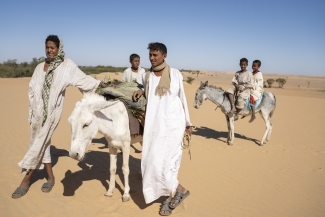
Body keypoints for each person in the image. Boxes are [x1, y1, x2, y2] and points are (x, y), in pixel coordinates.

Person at [11, 35, 109, 199]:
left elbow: (82, 79)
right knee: (43, 143)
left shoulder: (67, 66)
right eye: (47, 47)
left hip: (51, 114)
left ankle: (26, 179)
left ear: (59, 48)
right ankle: (50, 178)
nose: (49, 50)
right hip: (36, 114)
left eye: (52, 48)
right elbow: (32, 90)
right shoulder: (39, 67)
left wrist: (100, 85)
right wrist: (33, 110)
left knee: (38, 143)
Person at [133, 42, 192, 216]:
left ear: (164, 55)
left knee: (168, 164)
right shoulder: (147, 76)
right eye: (150, 55)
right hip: (154, 126)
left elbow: (182, 97)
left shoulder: (175, 74)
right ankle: (178, 190)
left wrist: (188, 123)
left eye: (155, 55)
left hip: (173, 125)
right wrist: (142, 92)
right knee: (152, 161)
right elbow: (150, 93)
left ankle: (171, 196)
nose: (151, 58)